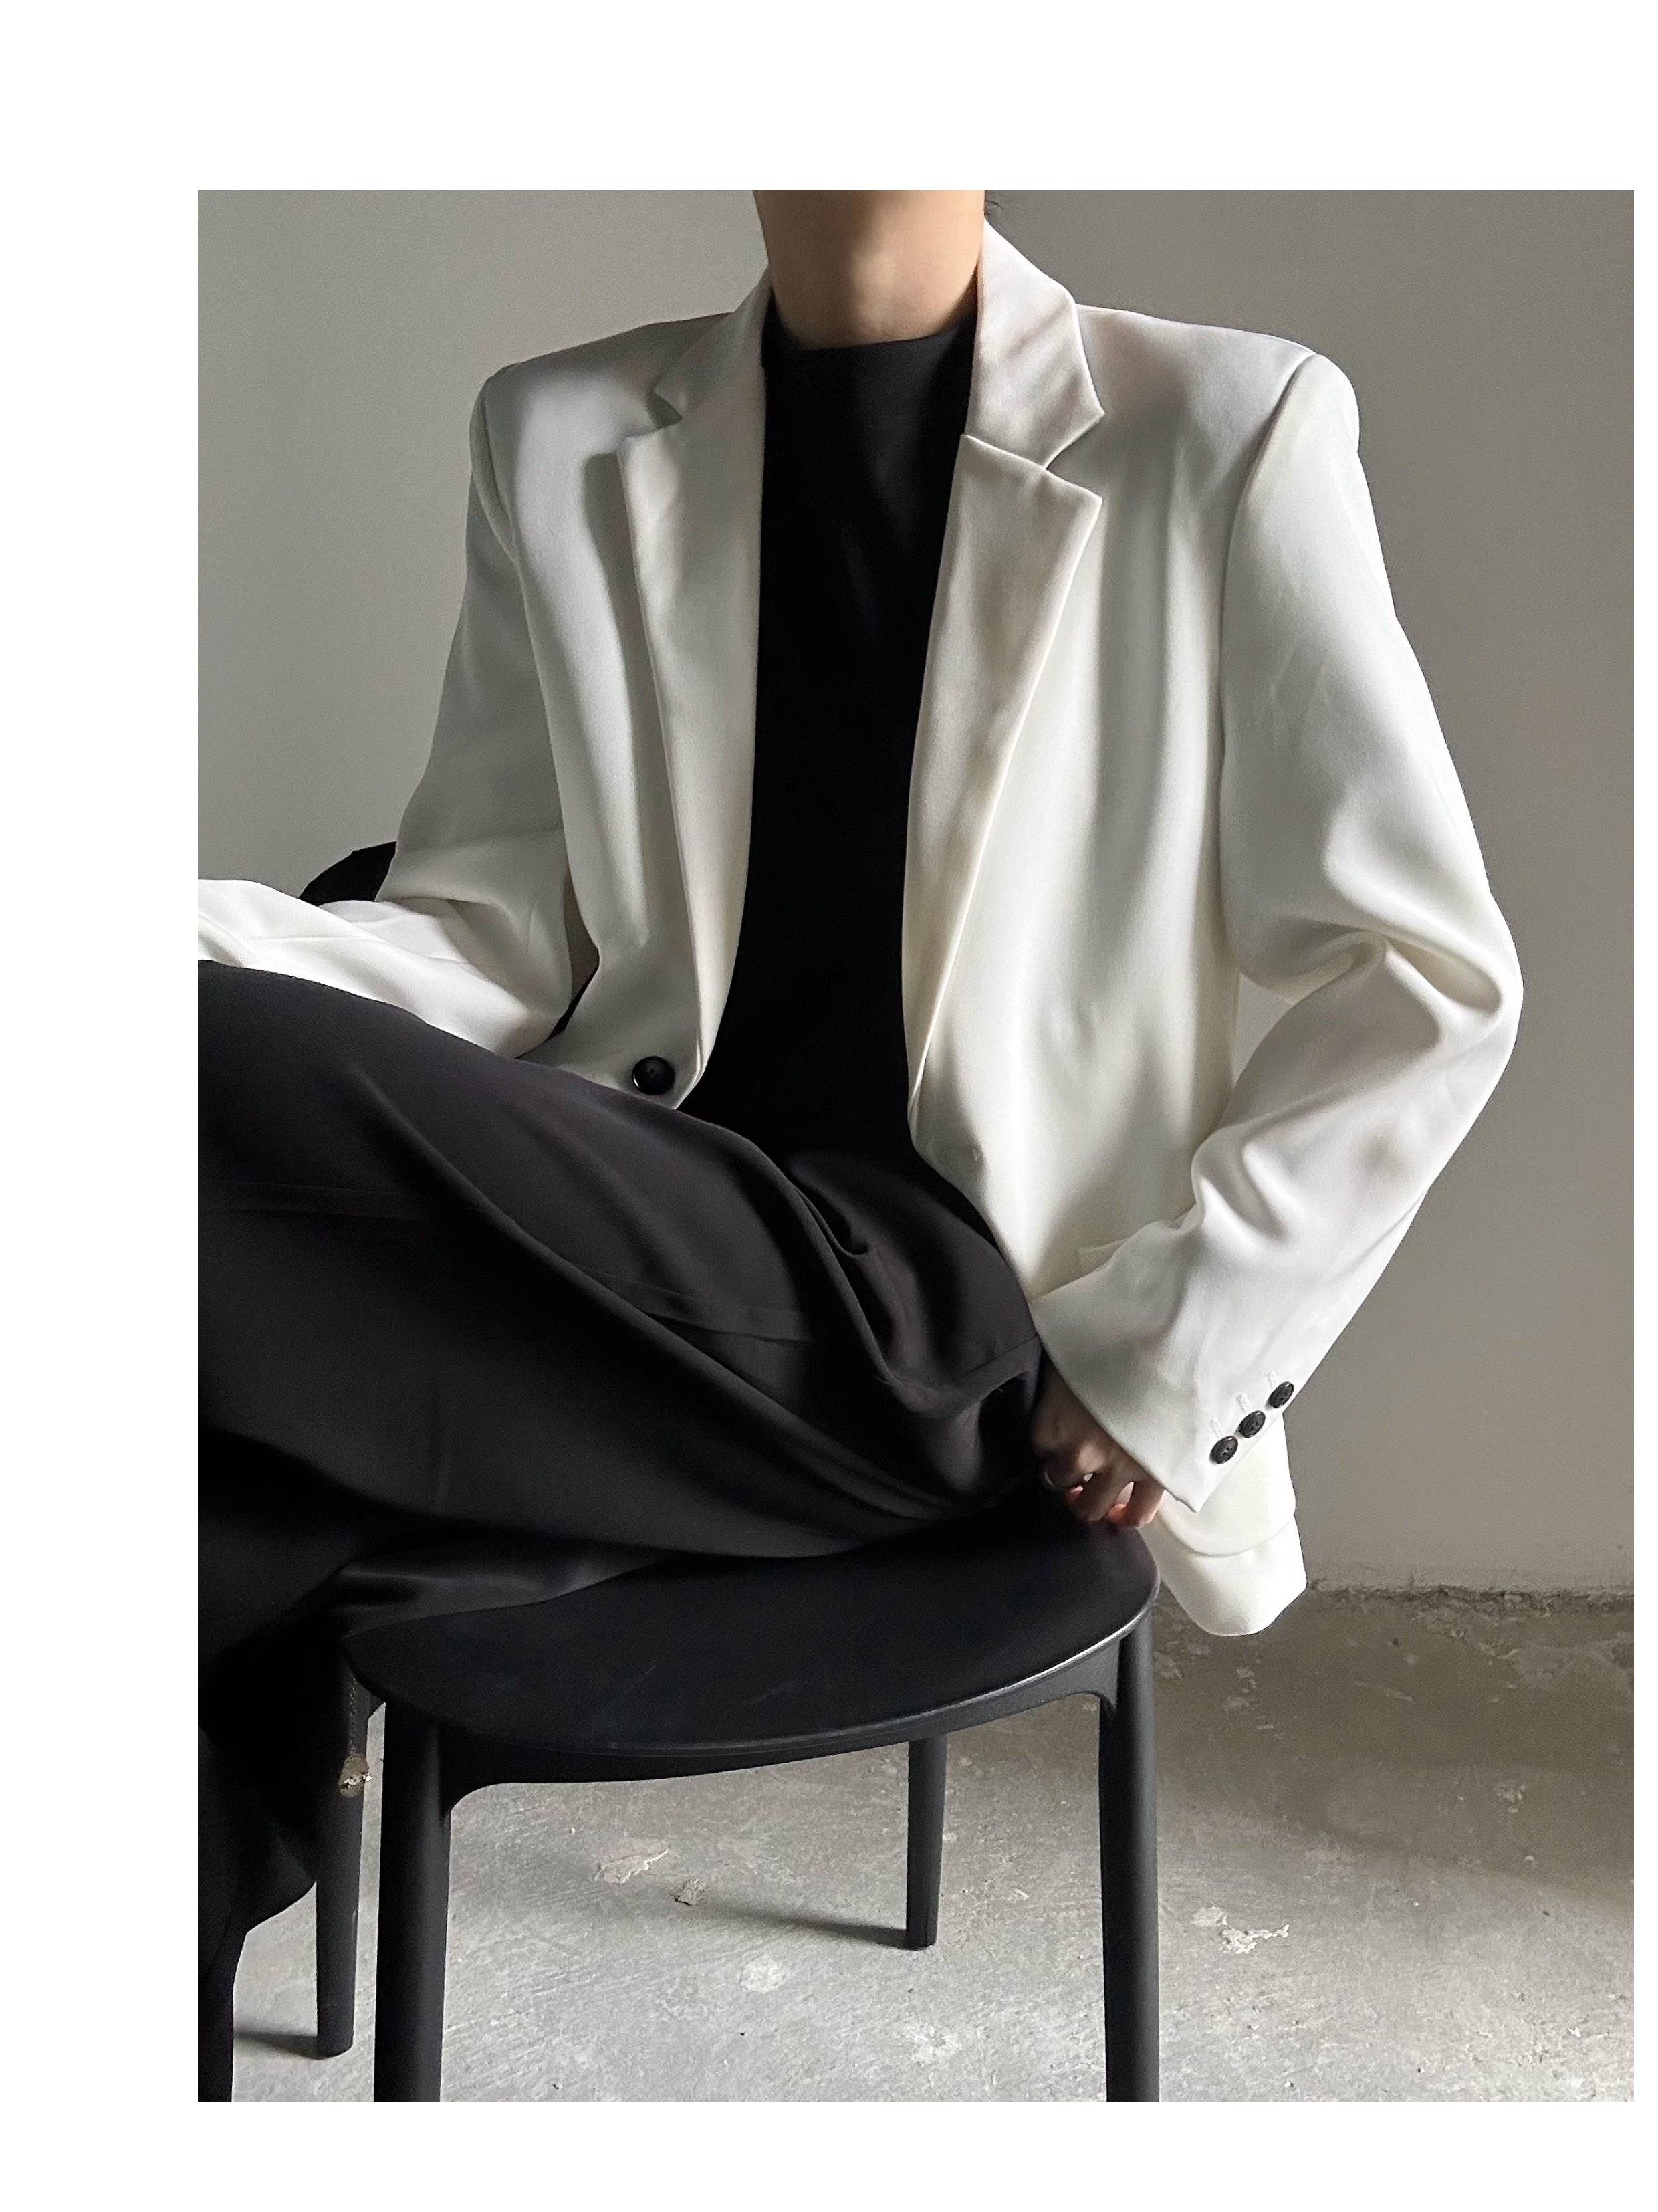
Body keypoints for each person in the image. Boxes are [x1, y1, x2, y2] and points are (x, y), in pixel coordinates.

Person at [197, 189, 1522, 2096]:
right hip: (637, 1257)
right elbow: (487, 936)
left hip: (957, 1327)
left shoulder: (1225, 432)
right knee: (193, 1508)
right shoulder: (558, 432)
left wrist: (1170, 1346)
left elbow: (1426, 976)